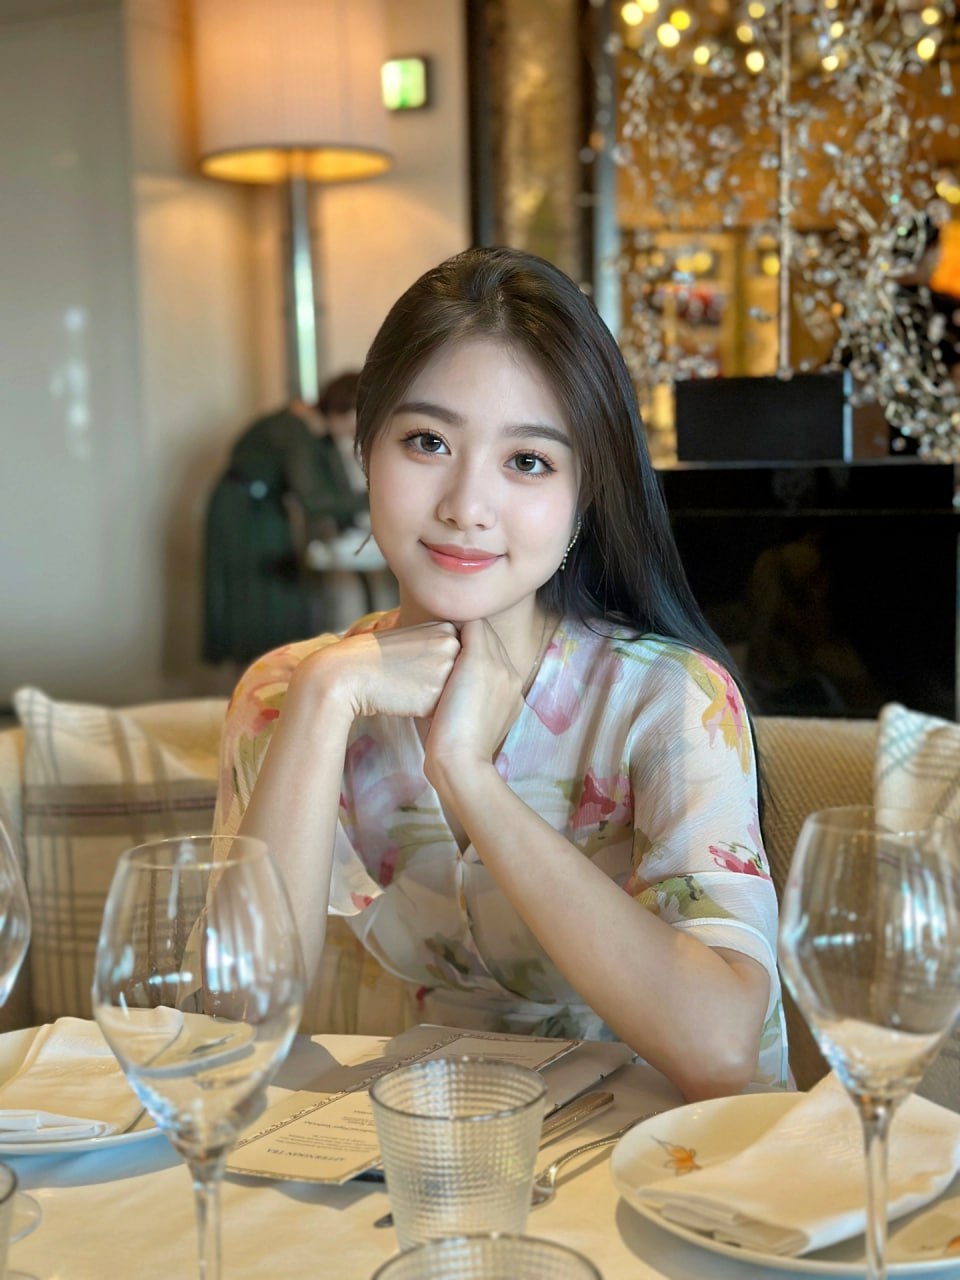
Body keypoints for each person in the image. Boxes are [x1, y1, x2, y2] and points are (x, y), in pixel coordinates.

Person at [215, 246, 788, 1101]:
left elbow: (722, 1051)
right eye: (427, 442)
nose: (466, 507)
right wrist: (324, 699)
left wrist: (468, 775)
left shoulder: (670, 699)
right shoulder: (290, 691)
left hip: (664, 1157)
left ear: (584, 497)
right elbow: (236, 1029)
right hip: (432, 1149)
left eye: (528, 462)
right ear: (365, 449)